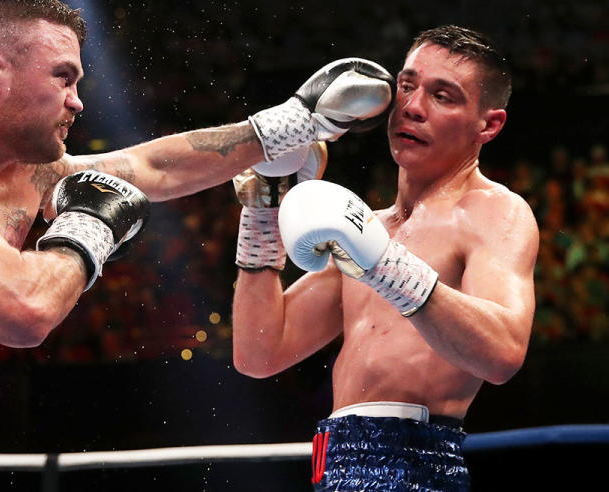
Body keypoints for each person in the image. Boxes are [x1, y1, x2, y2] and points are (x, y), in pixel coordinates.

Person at [0, 0, 394, 492]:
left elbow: (152, 168)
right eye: (63, 78)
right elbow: (22, 311)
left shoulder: (23, 176)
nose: (77, 103)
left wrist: (291, 123)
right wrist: (87, 230)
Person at [231, 25, 539, 491]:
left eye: (443, 96)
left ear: (488, 125)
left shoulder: (493, 212)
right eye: (407, 85)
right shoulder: (365, 229)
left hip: (416, 465)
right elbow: (259, 352)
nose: (412, 107)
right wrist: (261, 212)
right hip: (333, 462)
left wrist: (383, 265)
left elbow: (502, 353)